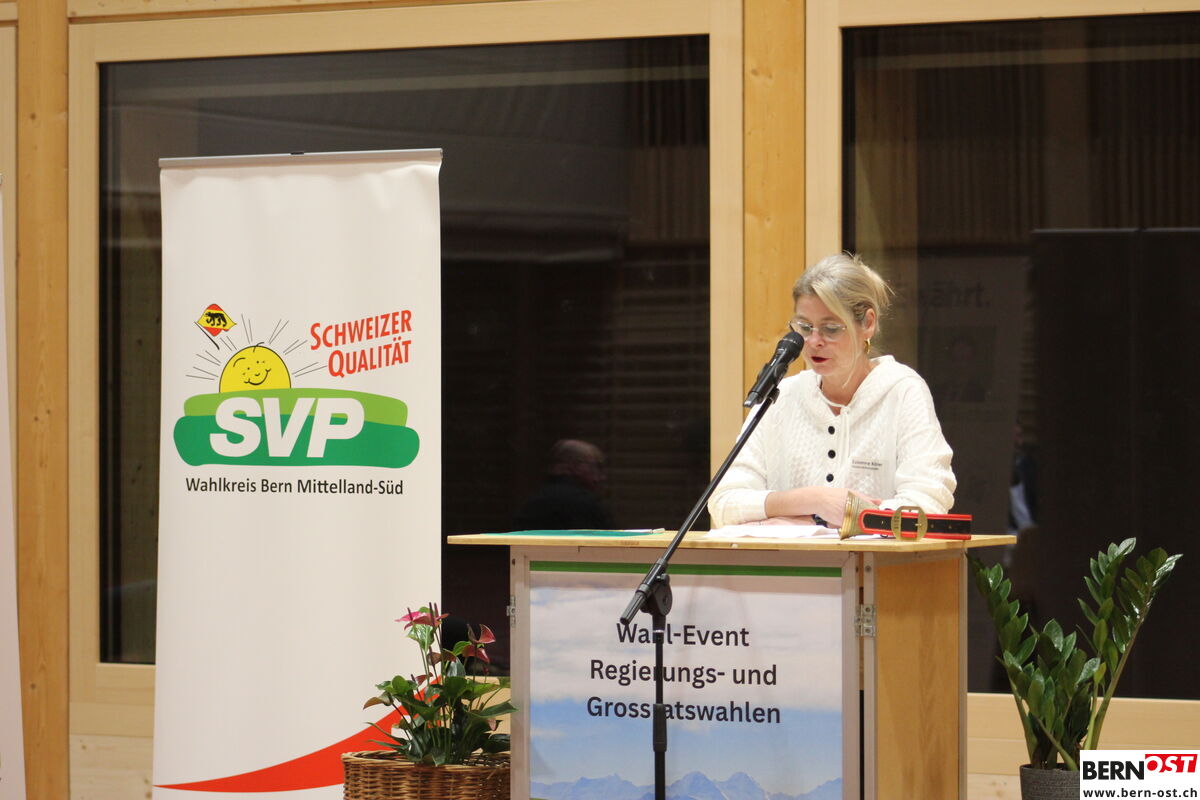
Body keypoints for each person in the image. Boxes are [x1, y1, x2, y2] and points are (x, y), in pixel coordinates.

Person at [708, 253, 956, 529]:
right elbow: (724, 503)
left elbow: (928, 502)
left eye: (831, 329)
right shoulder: (782, 396)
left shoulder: (902, 391)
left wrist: (820, 518)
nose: (814, 341)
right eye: (805, 327)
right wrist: (814, 500)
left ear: (868, 323)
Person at [514, 438, 614, 531]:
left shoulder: (538, 497)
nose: (602, 477)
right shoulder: (580, 502)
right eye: (596, 466)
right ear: (574, 466)